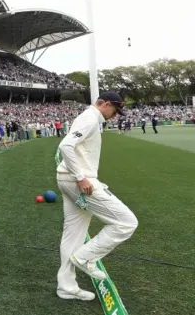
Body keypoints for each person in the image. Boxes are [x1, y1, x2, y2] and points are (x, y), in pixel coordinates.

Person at [55, 91, 138, 301]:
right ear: (107, 104)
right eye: (115, 110)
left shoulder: (89, 118)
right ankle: (84, 258)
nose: (115, 115)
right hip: (80, 182)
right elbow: (65, 146)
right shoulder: (90, 118)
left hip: (69, 179)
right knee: (126, 223)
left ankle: (66, 286)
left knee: (73, 234)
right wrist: (80, 177)